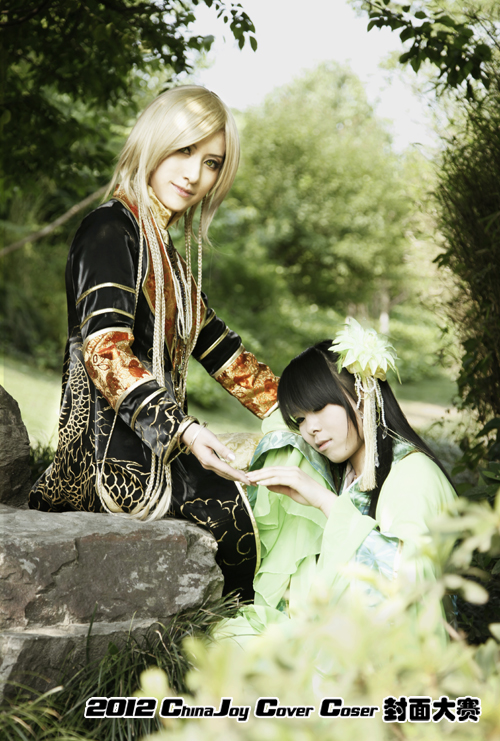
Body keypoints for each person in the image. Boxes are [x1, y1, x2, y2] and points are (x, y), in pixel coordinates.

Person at [29, 85, 279, 600]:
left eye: (212, 163)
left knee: (278, 470)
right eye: (184, 150)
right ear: (153, 142)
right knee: (248, 518)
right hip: (107, 462)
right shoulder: (109, 230)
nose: (195, 174)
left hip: (161, 451)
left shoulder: (170, 259)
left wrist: (305, 412)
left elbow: (225, 354)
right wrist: (184, 430)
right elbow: (106, 353)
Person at [217, 320, 456, 637]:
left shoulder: (413, 474)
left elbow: (407, 581)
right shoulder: (348, 472)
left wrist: (323, 500)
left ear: (362, 393)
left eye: (318, 408)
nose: (310, 429)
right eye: (300, 419)